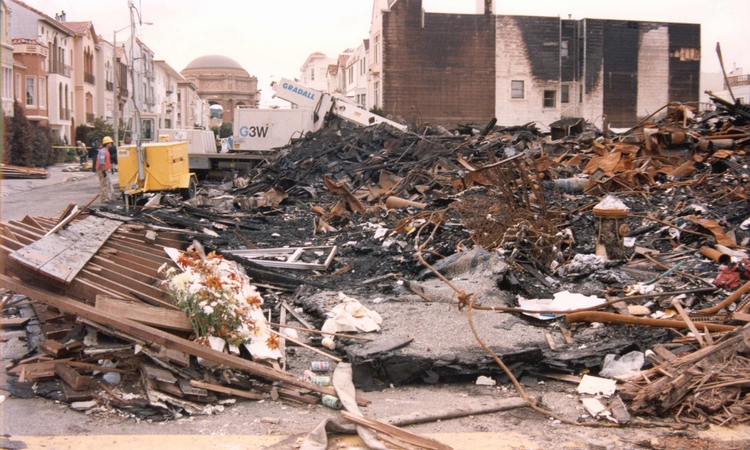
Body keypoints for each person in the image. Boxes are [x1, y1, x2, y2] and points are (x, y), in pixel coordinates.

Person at [96, 137, 116, 202]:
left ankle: (106, 197)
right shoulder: (103, 151)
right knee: (103, 184)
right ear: (107, 143)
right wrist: (103, 171)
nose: (111, 144)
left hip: (104, 169)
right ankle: (104, 198)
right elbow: (101, 162)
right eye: (110, 143)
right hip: (102, 169)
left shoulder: (105, 151)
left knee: (106, 184)